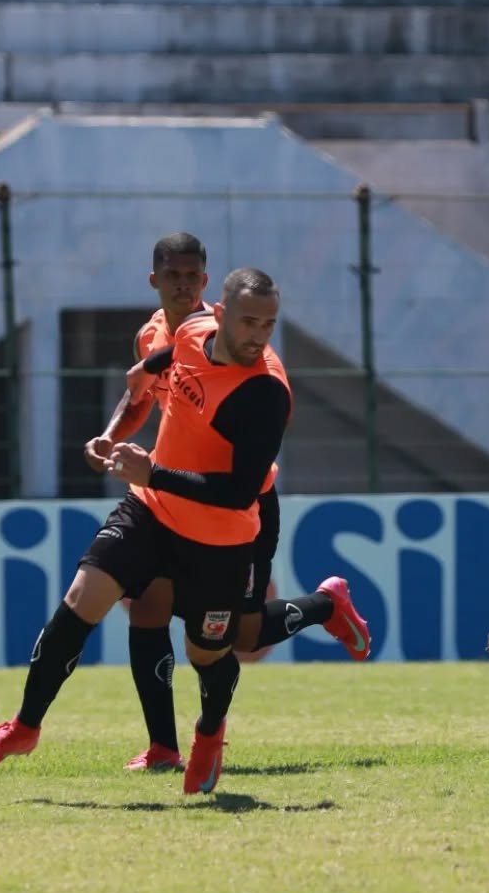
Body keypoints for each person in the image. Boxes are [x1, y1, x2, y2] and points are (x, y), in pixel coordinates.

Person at [0, 267, 354, 795]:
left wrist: (153, 472)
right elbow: (176, 353)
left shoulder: (265, 393)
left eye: (269, 325)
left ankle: (211, 732)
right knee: (83, 597)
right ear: (220, 313)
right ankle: (24, 727)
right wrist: (144, 370)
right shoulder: (194, 331)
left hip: (221, 537)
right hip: (151, 510)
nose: (258, 335)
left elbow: (240, 492)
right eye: (248, 322)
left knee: (219, 649)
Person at [82, 234, 368, 775]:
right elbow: (141, 391)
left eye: (193, 276)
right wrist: (108, 436)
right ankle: (163, 746)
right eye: (173, 276)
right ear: (156, 282)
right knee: (147, 608)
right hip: (165, 500)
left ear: (209, 289)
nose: (183, 285)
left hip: (236, 507)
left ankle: (327, 605)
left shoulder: (238, 349)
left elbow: (241, 476)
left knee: (244, 636)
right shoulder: (154, 335)